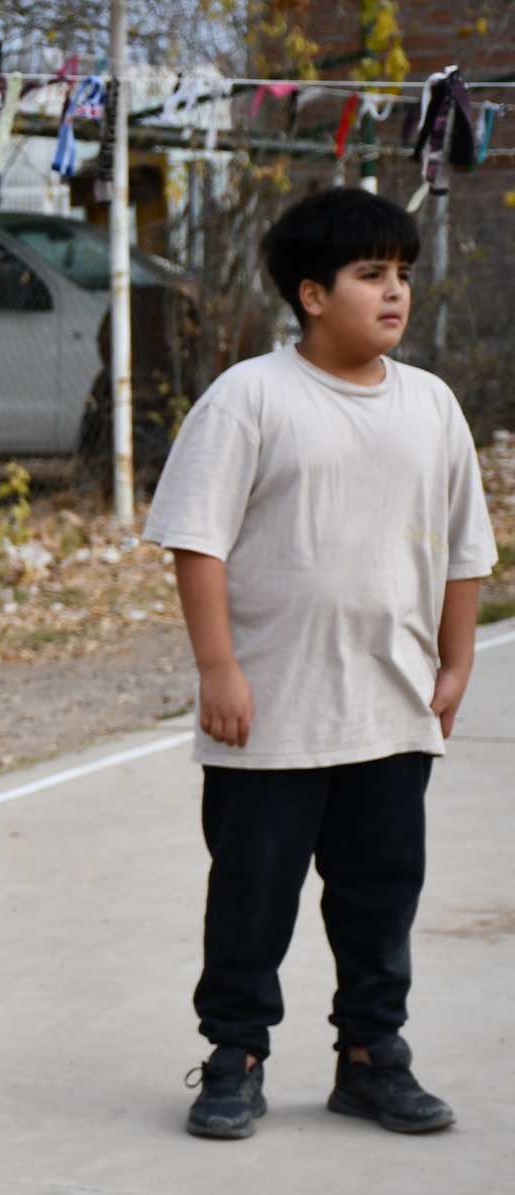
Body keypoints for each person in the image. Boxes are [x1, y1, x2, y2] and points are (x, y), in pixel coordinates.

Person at [143, 188, 495, 1141]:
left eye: (403, 276)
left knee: (381, 898)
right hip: (272, 714)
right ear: (310, 293)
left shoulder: (431, 406)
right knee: (252, 899)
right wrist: (218, 667)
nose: (395, 294)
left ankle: (372, 1056)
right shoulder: (251, 398)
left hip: (391, 709)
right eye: (370, 275)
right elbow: (196, 541)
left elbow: (466, 549)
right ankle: (235, 1055)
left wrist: (456, 666)